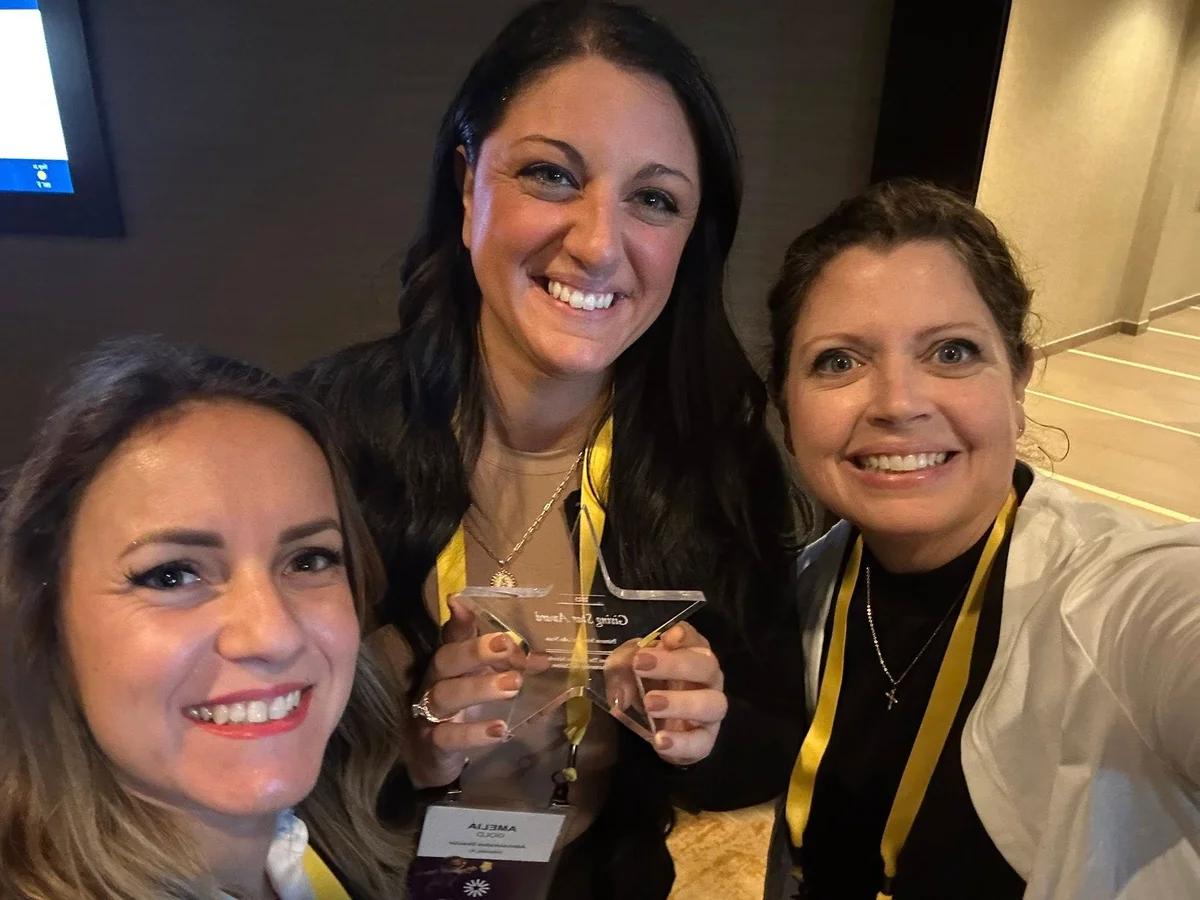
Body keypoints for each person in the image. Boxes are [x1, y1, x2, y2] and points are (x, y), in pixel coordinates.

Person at [297, 1, 804, 896]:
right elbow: (238, 737)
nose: (600, 244)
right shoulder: (324, 436)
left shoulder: (713, 459)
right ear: (467, 188)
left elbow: (770, 741)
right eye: (551, 175)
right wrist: (408, 745)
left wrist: (702, 732)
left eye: (653, 199)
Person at [761, 180, 1200, 899]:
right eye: (839, 361)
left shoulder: (1110, 599)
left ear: (1019, 381)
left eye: (952, 352)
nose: (899, 404)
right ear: (786, 407)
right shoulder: (804, 591)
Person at [0, 337, 412, 900]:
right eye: (172, 575)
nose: (274, 633)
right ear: (47, 621)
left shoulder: (319, 848)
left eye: (308, 559)